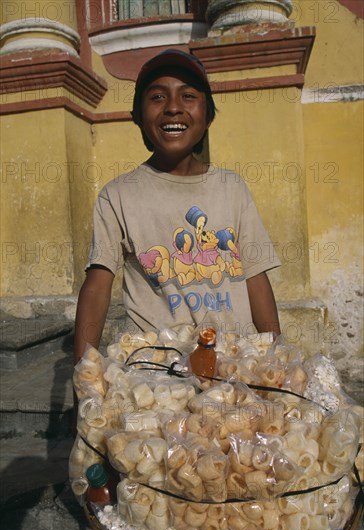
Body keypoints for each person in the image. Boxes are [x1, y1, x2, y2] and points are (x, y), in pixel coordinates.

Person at [74, 49, 281, 369]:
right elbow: (98, 286)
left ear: (208, 115)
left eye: (188, 96)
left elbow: (255, 276)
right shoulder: (117, 197)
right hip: (158, 370)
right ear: (138, 117)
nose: (173, 107)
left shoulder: (232, 188)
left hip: (234, 362)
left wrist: (277, 357)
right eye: (157, 97)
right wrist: (83, 373)